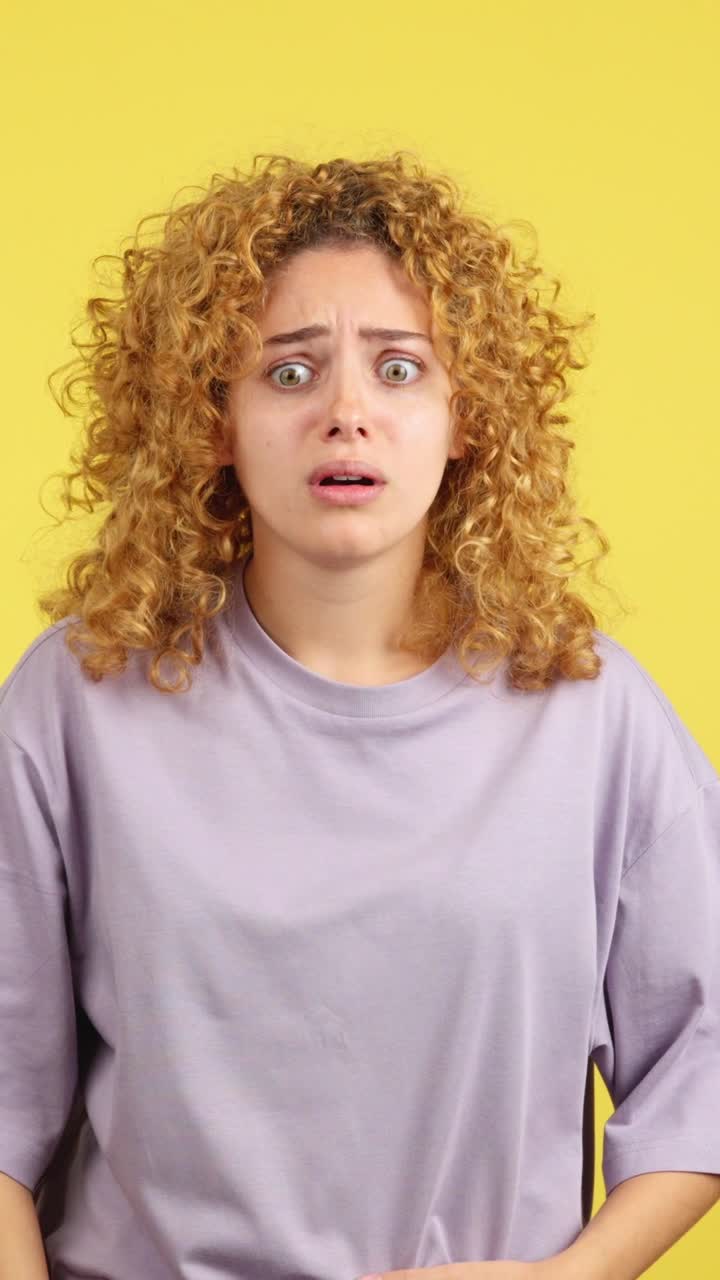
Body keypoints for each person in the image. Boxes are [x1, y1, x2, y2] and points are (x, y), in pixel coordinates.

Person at [1, 151, 719, 1280]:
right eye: (289, 373)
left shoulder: (592, 714)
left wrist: (568, 1278)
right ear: (214, 421)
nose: (346, 414)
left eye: (399, 369)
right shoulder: (78, 699)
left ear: (466, 417)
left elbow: (706, 1058)